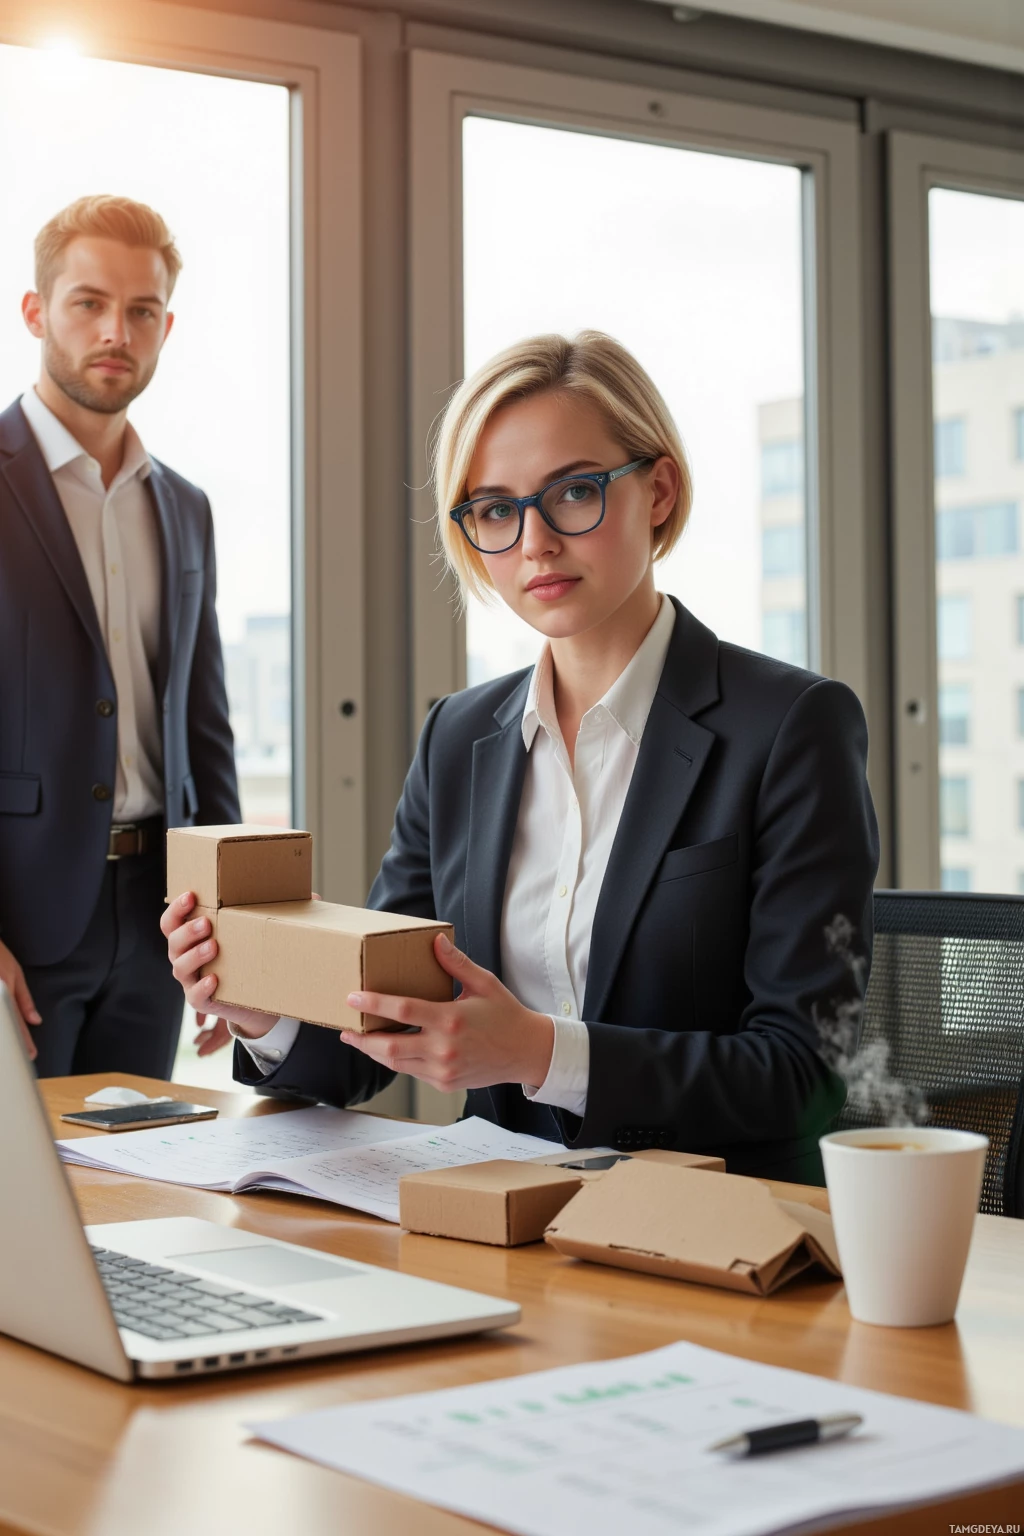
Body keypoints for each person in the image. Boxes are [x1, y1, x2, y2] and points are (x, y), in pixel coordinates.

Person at [164, 330, 878, 1181]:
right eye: (497, 509)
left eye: (573, 492)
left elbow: (802, 1077)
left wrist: (541, 1053)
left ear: (660, 490)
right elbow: (368, 1041)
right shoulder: (460, 738)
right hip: (495, 1224)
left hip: (707, 1237)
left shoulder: (793, 725)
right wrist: (260, 1011)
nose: (534, 541)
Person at [0, 195, 240, 1076]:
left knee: (143, 1189)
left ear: (166, 326)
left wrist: (234, 927)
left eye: (142, 311)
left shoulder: (183, 507)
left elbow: (203, 727)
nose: (116, 331)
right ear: (35, 312)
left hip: (159, 920)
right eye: (88, 303)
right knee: (16, 1203)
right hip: (20, 922)